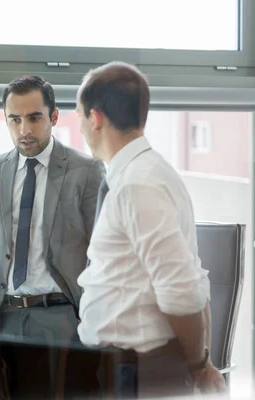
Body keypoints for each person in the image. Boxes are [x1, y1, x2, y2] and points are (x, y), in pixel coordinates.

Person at [75, 61, 226, 398]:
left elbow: (182, 291)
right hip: (124, 368)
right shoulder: (142, 174)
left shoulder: (137, 184)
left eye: (80, 115)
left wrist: (199, 366)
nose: (82, 127)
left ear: (95, 118)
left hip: (139, 372)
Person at [0, 75, 104, 344]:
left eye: (34, 118)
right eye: (14, 119)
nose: (24, 130)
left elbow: (102, 250)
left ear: (53, 117)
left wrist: (91, 312)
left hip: (62, 317)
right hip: (1, 317)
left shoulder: (87, 171)